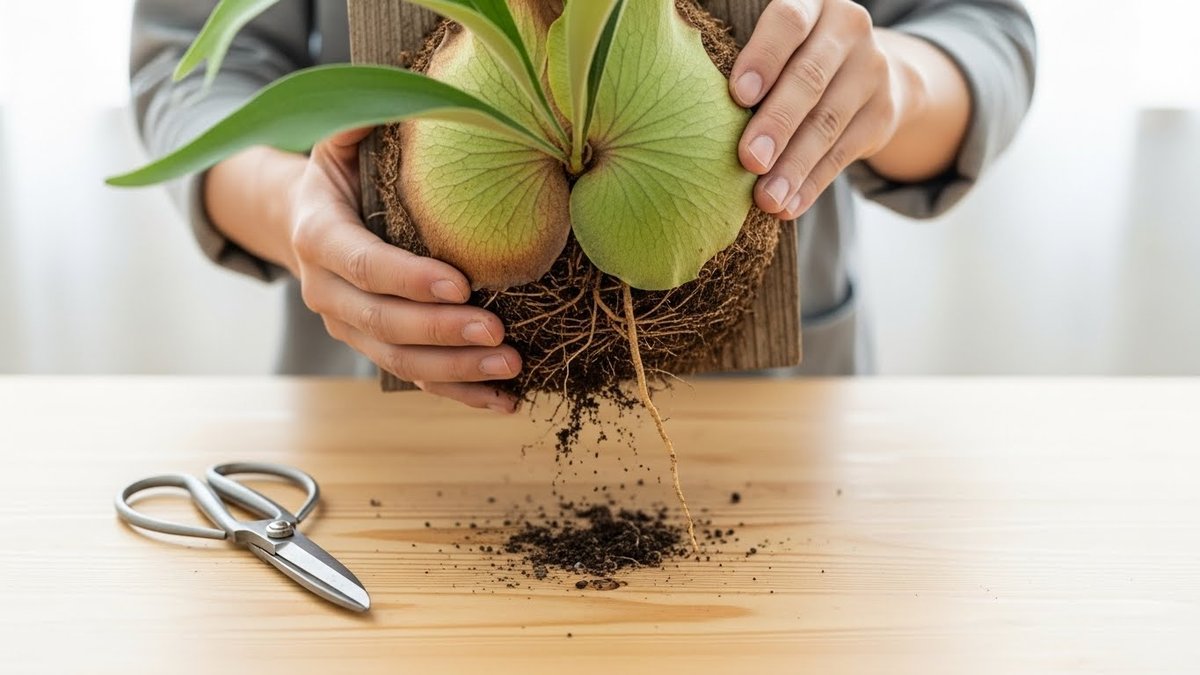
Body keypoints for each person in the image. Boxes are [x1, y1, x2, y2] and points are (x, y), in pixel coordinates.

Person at [131, 0, 1035, 413]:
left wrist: (893, 88)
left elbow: (984, 32)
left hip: (774, 440)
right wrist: (299, 206)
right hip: (395, 444)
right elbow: (190, 83)